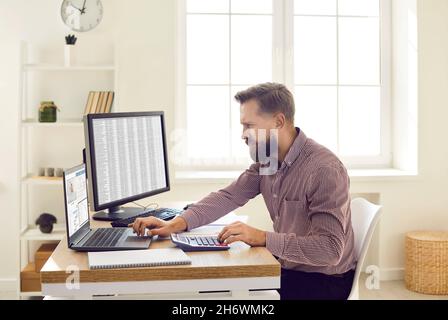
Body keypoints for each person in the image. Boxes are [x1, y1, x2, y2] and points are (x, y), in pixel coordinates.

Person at [130, 83, 356, 300]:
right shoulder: (269, 159)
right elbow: (228, 196)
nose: (243, 134)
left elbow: (330, 249)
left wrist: (262, 238)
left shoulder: (324, 170)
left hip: (323, 281)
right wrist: (174, 224)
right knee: (208, 289)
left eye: (249, 125)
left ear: (278, 121)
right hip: (288, 268)